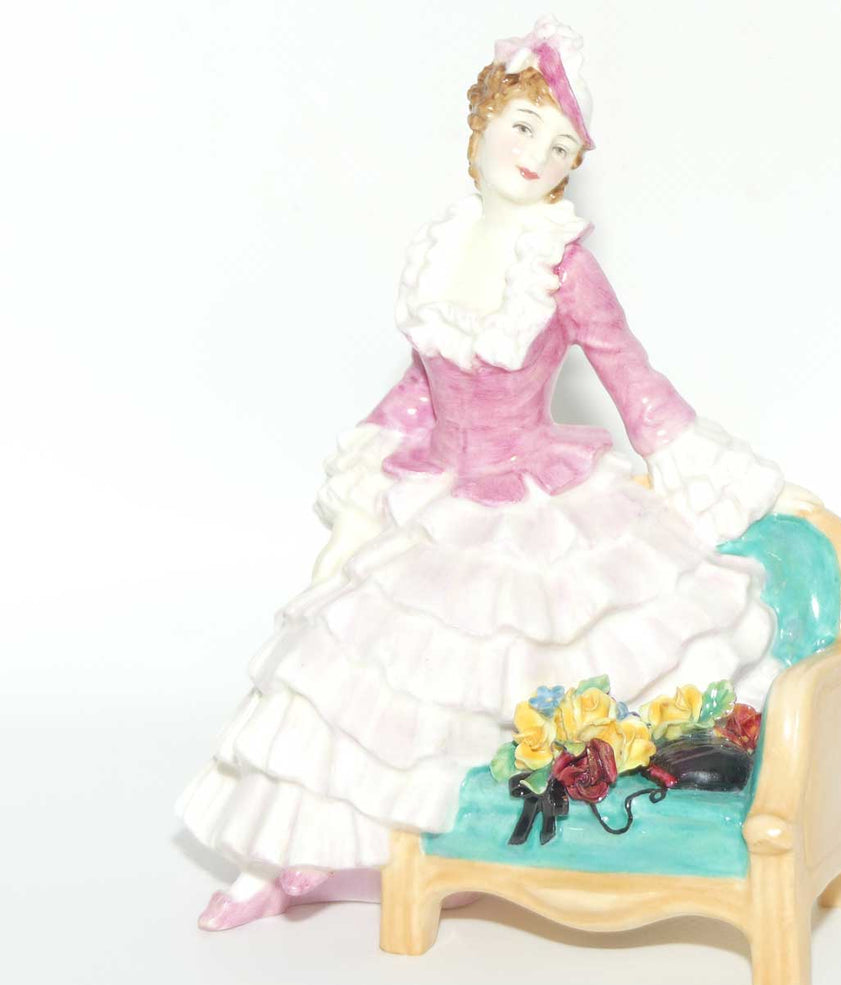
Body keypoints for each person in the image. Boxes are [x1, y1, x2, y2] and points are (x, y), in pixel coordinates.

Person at [177, 15, 786, 932]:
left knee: (521, 672)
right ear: (483, 123)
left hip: (534, 507)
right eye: (525, 125)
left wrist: (709, 465)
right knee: (347, 672)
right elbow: (423, 383)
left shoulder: (564, 267)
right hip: (442, 495)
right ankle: (282, 858)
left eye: (562, 144)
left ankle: (485, 848)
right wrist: (370, 457)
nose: (538, 154)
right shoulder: (442, 246)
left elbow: (629, 374)